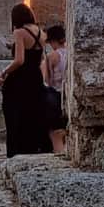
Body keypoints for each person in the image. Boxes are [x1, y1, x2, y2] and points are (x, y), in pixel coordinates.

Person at [0, 4, 52, 157]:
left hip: (19, 80)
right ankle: (34, 149)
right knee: (33, 114)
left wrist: (3, 72)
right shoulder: (41, 33)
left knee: (15, 116)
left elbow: (20, 60)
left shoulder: (19, 32)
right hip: (35, 78)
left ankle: (16, 152)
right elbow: (40, 58)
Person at [41, 23, 68, 156]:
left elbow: (47, 80)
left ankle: (58, 154)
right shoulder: (71, 53)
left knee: (54, 132)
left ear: (52, 41)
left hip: (55, 95)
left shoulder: (52, 57)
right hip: (68, 95)